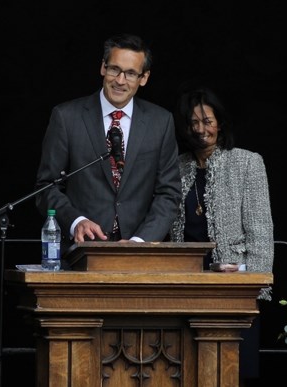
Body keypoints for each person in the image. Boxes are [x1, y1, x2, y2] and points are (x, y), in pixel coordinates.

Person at [168, 86, 274, 386]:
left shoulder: (247, 162)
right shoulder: (177, 167)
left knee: (233, 372)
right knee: (187, 371)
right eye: (194, 122)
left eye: (208, 121)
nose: (202, 129)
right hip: (186, 289)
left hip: (234, 291)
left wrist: (249, 277)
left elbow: (261, 233)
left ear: (221, 123)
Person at [35, 33, 181, 246]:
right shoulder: (66, 117)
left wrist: (140, 242)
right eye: (114, 69)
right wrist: (76, 221)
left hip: (140, 256)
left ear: (144, 78)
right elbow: (46, 186)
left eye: (131, 73)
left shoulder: (161, 122)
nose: (120, 81)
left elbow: (169, 194)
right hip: (81, 252)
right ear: (103, 67)